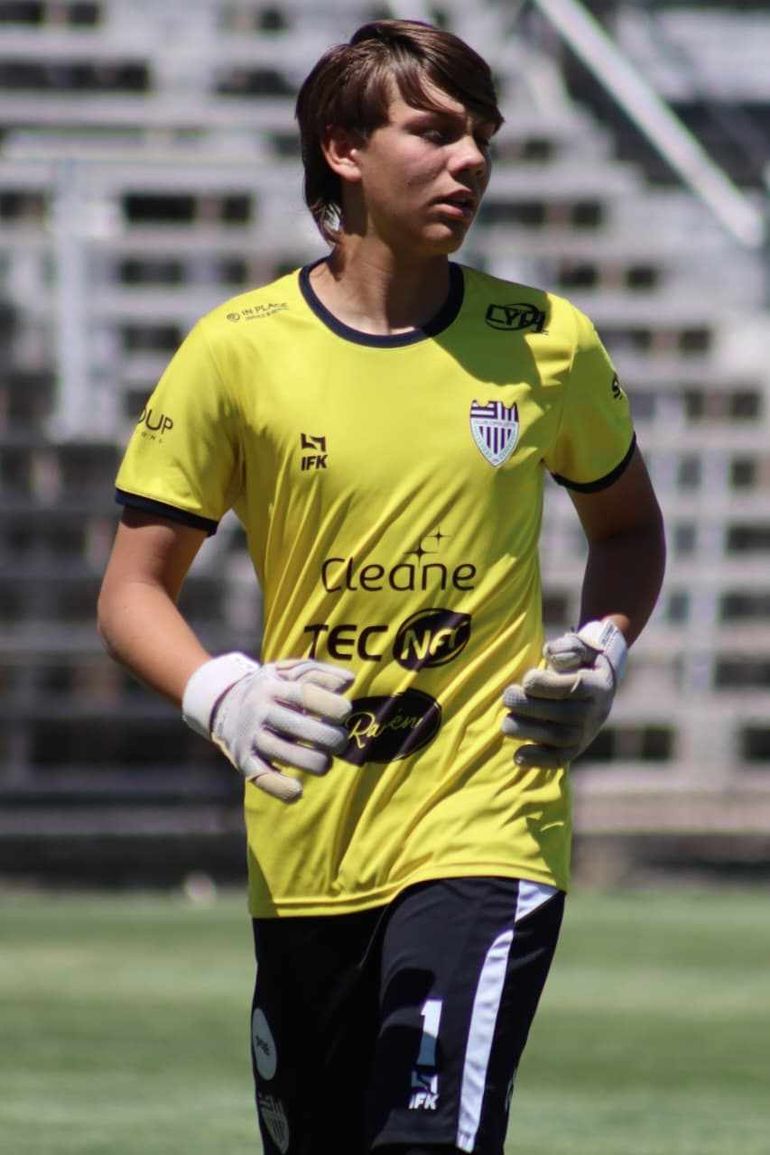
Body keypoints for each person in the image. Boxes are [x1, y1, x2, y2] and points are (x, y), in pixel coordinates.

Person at [97, 19, 665, 1155]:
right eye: (435, 132)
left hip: (484, 823)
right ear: (341, 149)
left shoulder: (545, 342)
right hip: (305, 843)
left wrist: (600, 649)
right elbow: (130, 593)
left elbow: (627, 531)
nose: (469, 161)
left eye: (481, 138)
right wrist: (225, 695)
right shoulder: (234, 348)